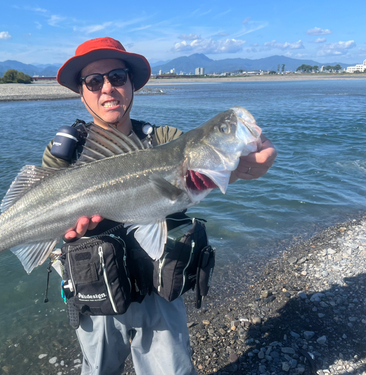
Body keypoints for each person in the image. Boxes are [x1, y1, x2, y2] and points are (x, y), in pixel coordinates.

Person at [42, 37, 277, 375]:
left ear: (132, 84)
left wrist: (248, 165)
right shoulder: (67, 153)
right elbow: (42, 215)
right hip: (96, 291)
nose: (107, 88)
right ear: (82, 93)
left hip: (158, 291)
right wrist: (64, 236)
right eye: (94, 81)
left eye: (117, 77)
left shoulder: (164, 140)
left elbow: (212, 165)